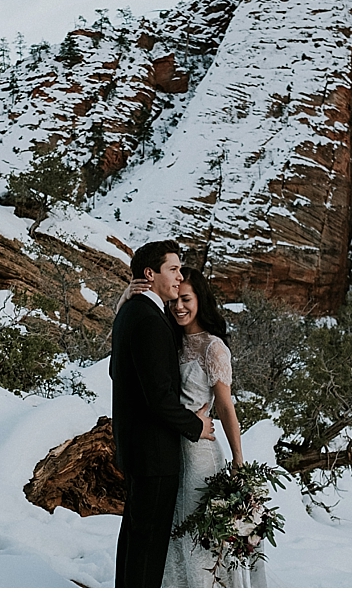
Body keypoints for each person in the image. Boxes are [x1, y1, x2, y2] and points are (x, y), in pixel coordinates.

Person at [118, 266, 266, 588]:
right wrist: (124, 303)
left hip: (200, 456)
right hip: (169, 451)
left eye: (186, 299)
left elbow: (226, 407)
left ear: (200, 299)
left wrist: (239, 459)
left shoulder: (213, 347)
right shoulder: (169, 337)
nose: (179, 307)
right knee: (170, 538)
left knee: (197, 535)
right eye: (174, 302)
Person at [109, 240, 216, 588]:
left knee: (135, 539)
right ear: (150, 274)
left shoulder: (130, 312)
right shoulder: (150, 320)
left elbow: (117, 372)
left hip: (138, 449)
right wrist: (195, 426)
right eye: (173, 269)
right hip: (154, 453)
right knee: (147, 547)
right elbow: (159, 397)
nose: (179, 276)